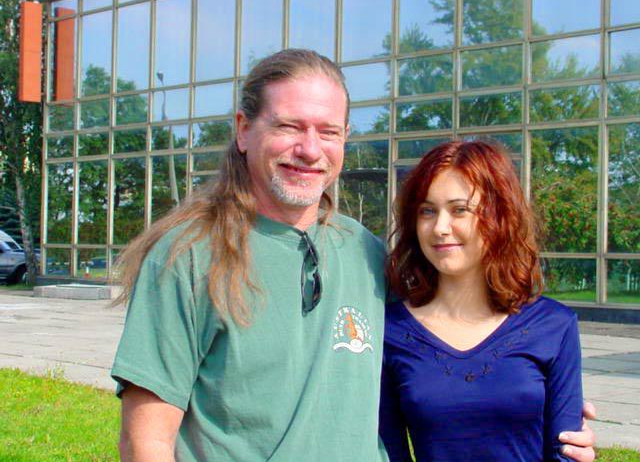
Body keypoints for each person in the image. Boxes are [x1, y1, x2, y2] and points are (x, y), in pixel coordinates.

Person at [111, 49, 596, 461]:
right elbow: (145, 440)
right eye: (289, 126)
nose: (310, 150)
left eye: (328, 131)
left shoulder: (365, 252)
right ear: (243, 130)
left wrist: (541, 405)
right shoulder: (188, 256)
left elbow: (439, 359)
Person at [380, 139, 588, 461]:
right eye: (427, 211)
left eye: (460, 210)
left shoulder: (554, 325)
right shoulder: (389, 330)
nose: (440, 227)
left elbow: (567, 450)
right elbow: (388, 451)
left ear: (500, 215)